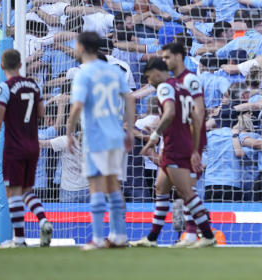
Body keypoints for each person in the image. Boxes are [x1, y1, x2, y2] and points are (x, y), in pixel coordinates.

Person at [132, 58, 216, 248]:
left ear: (155, 72)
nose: (149, 82)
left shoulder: (164, 87)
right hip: (182, 143)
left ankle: (208, 234)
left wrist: (154, 137)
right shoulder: (182, 87)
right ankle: (152, 238)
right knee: (161, 188)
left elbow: (169, 113)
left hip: (174, 146)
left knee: (186, 192)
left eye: (148, 77)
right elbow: (196, 115)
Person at [66, 31, 134, 250]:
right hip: (116, 134)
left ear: (82, 47)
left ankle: (97, 238)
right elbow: (130, 99)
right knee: (113, 187)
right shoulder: (114, 71)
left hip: (95, 136)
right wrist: (130, 130)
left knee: (95, 187)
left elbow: (77, 106)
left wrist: (69, 132)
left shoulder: (83, 73)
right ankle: (119, 235)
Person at [0, 49, 53, 247]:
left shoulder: (4, 88)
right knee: (27, 189)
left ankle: (19, 240)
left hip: (14, 146)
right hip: (33, 144)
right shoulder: (33, 84)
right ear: (20, 64)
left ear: (2, 66)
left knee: (12, 191)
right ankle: (43, 220)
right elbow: (40, 113)